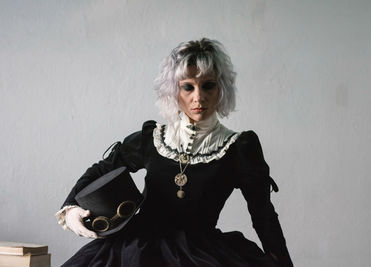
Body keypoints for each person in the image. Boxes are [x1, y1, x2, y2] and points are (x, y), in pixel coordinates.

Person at [56, 38, 294, 267]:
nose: (198, 97)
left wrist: (282, 262)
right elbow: (102, 169)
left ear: (221, 89)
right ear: (173, 91)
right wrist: (71, 208)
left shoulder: (238, 148)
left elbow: (263, 215)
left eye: (208, 85)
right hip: (136, 249)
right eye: (188, 87)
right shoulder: (153, 139)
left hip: (201, 253)